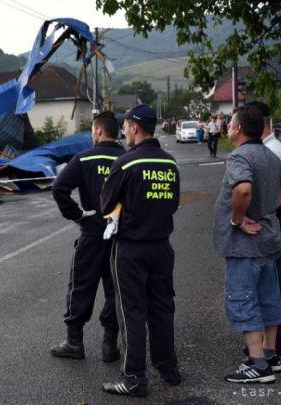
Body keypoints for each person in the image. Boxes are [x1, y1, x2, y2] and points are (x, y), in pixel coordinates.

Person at [99, 104, 181, 397]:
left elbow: (105, 206)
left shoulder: (125, 163)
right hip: (161, 247)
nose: (123, 130)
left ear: (135, 127)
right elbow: (172, 204)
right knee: (162, 308)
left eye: (125, 125)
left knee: (131, 312)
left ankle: (133, 376)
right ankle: (168, 368)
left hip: (130, 249)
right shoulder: (170, 163)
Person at [213, 105, 281, 384]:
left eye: (230, 123)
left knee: (243, 298)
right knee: (268, 297)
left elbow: (243, 189)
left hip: (245, 244)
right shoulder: (268, 155)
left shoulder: (240, 156)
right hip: (268, 240)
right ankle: (270, 355)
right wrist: (271, 206)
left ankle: (258, 366)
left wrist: (238, 219)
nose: (227, 127)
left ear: (238, 129)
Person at [50, 111, 125, 362]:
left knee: (81, 285)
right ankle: (110, 345)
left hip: (92, 232)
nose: (93, 134)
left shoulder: (83, 158)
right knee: (115, 289)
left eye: (93, 130)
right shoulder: (128, 158)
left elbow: (59, 188)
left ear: (99, 131)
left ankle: (74, 343)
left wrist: (77, 215)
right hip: (120, 234)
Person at [245, 101, 281, 356]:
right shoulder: (274, 147)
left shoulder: (269, 150)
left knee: (270, 278)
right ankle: (279, 333)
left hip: (271, 218)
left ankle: (278, 337)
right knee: (273, 276)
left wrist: (266, 207)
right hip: (275, 215)